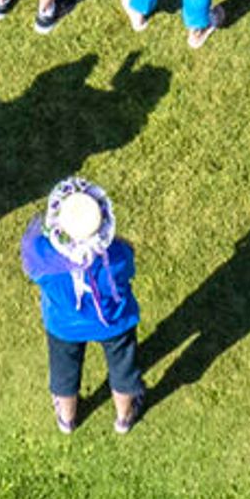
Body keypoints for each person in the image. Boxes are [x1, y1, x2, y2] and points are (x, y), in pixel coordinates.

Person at [24, 181, 148, 433]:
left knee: (64, 370)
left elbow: (33, 269)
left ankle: (66, 418)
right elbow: (128, 264)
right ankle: (125, 415)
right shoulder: (117, 256)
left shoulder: (42, 255)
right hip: (113, 323)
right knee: (123, 367)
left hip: (63, 325)